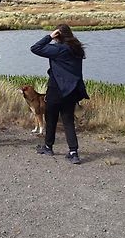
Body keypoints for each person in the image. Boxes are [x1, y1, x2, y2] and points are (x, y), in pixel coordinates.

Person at [30, 24, 89, 164]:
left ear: (58, 35)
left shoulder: (59, 49)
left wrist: (49, 37)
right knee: (68, 120)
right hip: (72, 90)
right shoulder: (77, 49)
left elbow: (35, 48)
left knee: (51, 119)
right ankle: (73, 152)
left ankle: (48, 147)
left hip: (56, 89)